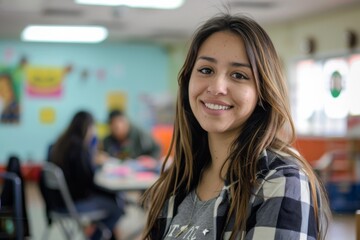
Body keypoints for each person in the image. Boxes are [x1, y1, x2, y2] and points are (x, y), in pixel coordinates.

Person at [141, 14, 331, 240]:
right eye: (206, 70)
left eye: (239, 75)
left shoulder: (280, 181)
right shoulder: (179, 180)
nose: (217, 87)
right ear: (187, 81)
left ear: (262, 93)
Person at [47, 110, 124, 240]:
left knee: (111, 199)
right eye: (93, 128)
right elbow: (89, 181)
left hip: (58, 202)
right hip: (73, 204)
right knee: (117, 206)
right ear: (87, 127)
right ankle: (95, 237)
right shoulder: (80, 148)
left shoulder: (58, 145)